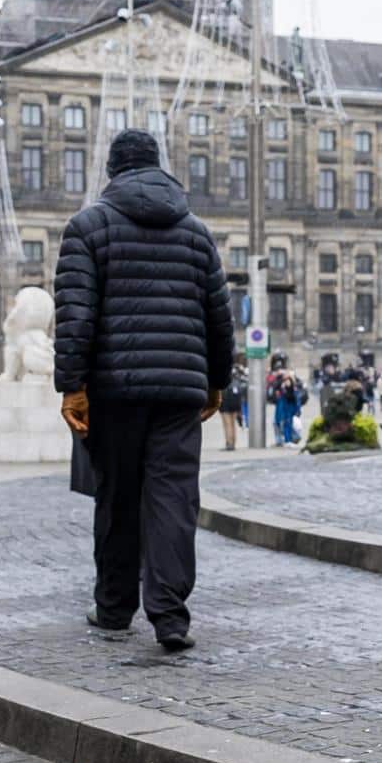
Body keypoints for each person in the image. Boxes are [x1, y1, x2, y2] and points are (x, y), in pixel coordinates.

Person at [56, 129, 232, 655]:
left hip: (115, 390)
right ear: (160, 169)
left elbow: (75, 317)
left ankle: (113, 610)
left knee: (118, 497)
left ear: (112, 172)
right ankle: (170, 617)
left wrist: (72, 387)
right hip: (179, 391)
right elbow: (219, 318)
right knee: (174, 501)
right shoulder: (197, 234)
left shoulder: (87, 227)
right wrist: (216, 381)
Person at [219, 366, 245, 451]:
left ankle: (229, 443)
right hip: (235, 406)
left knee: (227, 425)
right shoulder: (236, 383)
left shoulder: (224, 383)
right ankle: (233, 443)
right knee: (233, 425)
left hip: (225, 407)